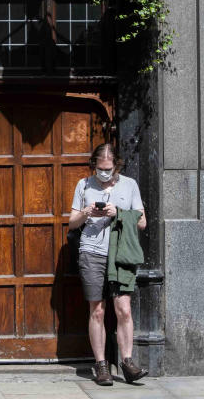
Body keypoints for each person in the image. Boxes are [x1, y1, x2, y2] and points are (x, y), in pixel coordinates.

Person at [68, 143, 148, 386]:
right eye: (100, 168)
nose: (104, 172)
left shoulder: (129, 184)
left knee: (123, 309)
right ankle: (101, 365)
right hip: (92, 252)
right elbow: (72, 223)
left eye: (108, 168)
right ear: (94, 165)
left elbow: (142, 221)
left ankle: (127, 362)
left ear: (117, 166)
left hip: (120, 254)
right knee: (98, 310)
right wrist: (86, 213)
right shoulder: (84, 185)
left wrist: (118, 212)